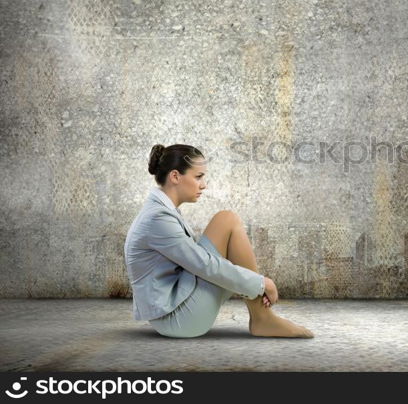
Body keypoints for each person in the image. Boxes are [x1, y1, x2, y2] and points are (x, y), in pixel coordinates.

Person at [124, 143, 314, 339]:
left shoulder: (160, 210)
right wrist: (262, 283)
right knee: (227, 220)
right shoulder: (158, 218)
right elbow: (203, 264)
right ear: (175, 177)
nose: (204, 184)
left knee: (227, 221)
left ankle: (262, 317)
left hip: (175, 309)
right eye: (198, 177)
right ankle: (262, 318)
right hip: (177, 319)